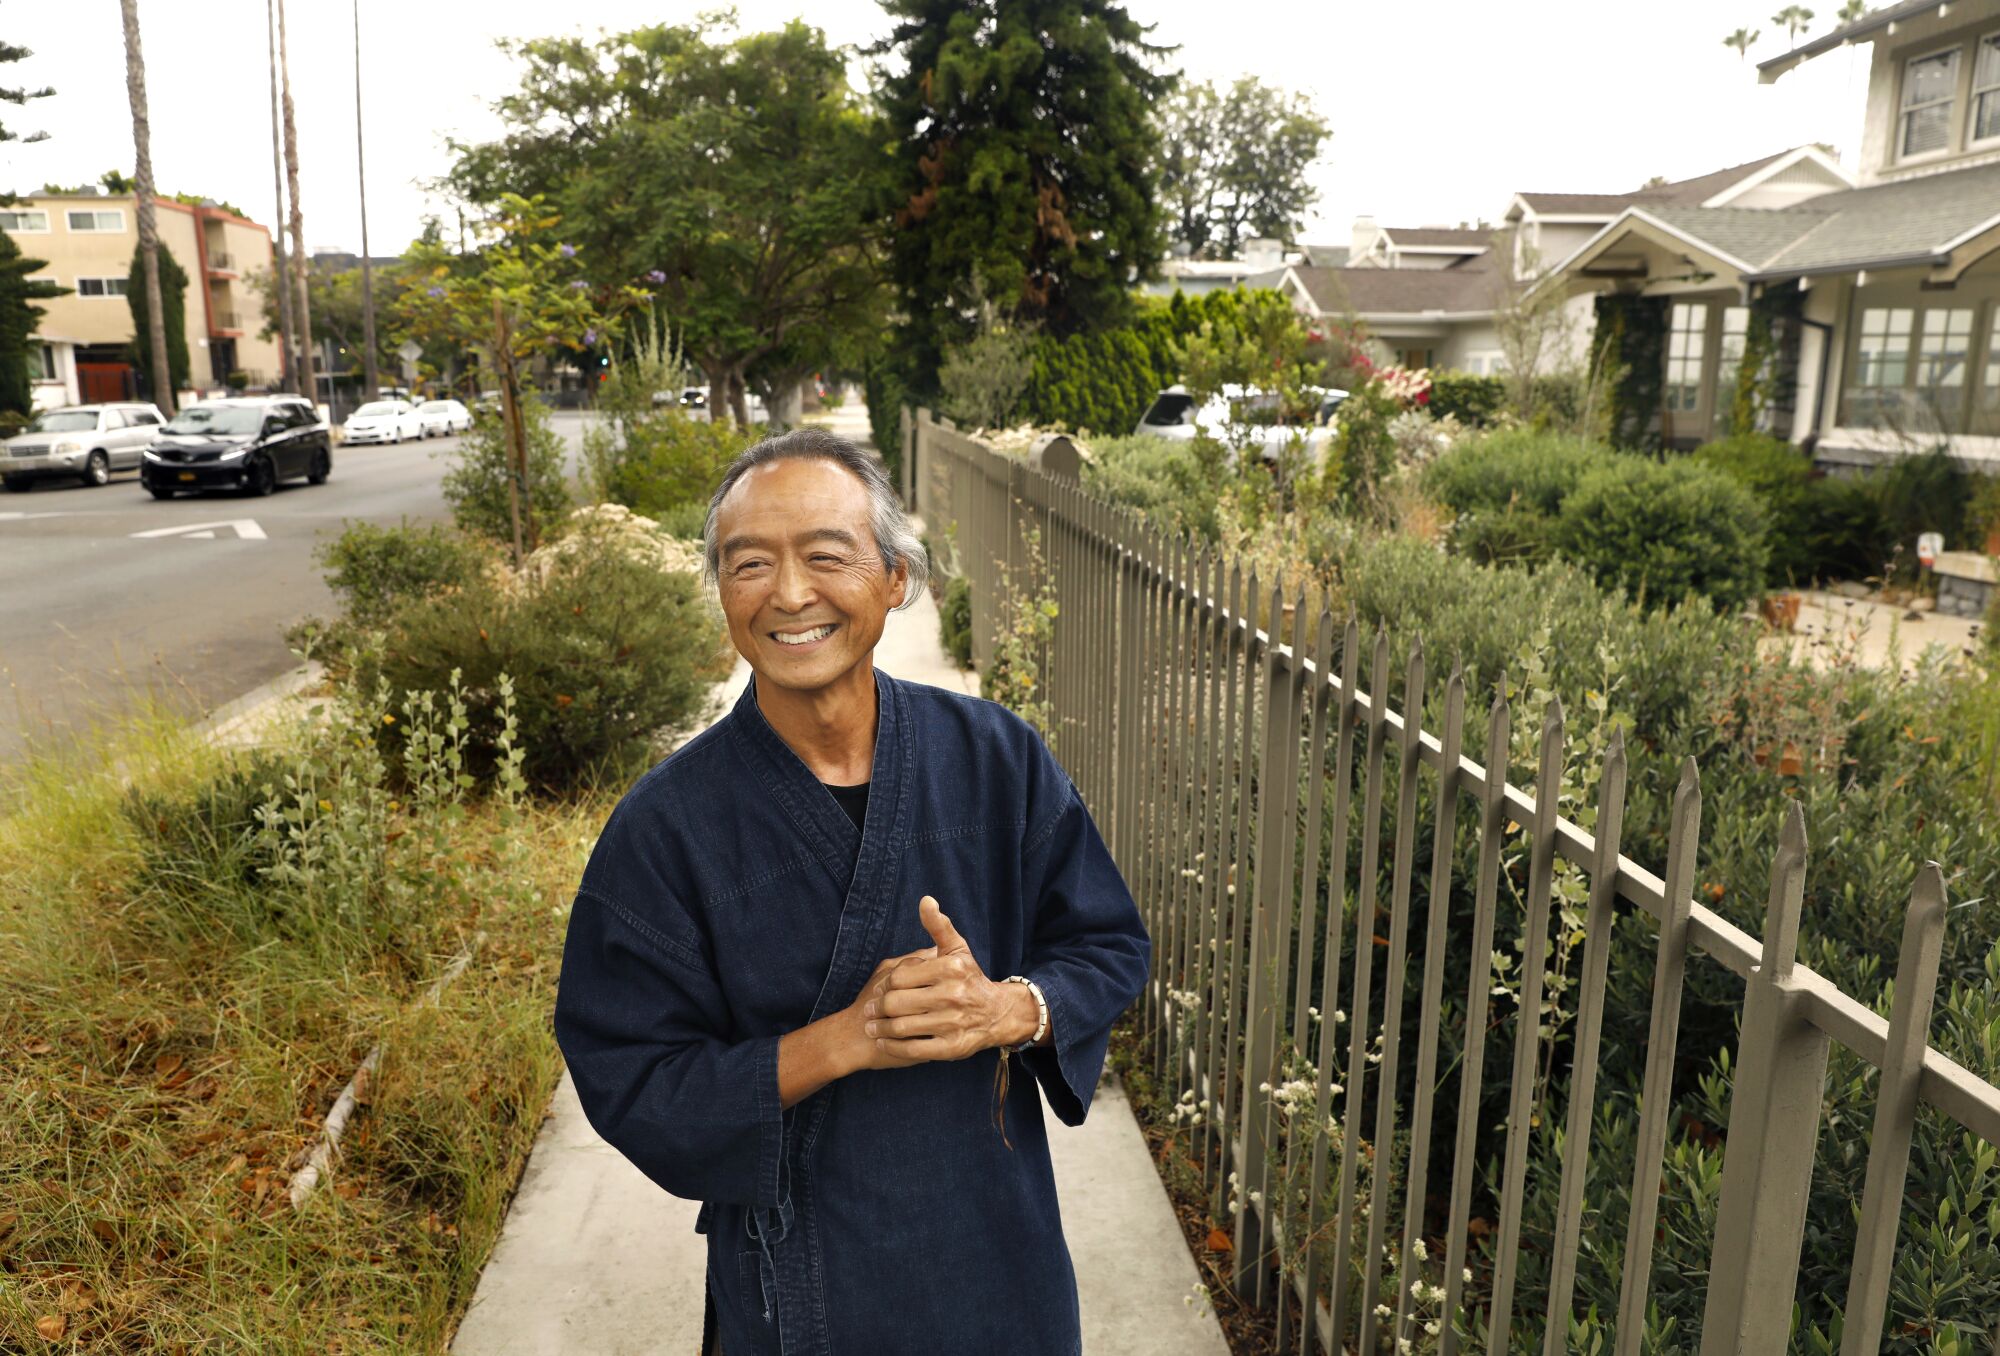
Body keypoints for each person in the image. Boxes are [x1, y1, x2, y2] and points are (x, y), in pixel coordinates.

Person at [553, 428, 1150, 1356]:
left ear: (895, 579)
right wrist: (846, 1040)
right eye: (749, 564)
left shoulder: (995, 759)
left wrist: (1011, 1009)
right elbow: (631, 1077)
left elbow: (1107, 945)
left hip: (997, 1257)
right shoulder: (665, 829)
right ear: (722, 595)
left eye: (825, 557)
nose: (789, 594)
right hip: (800, 1288)